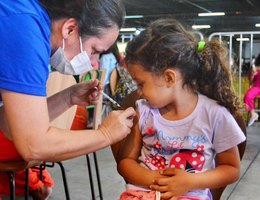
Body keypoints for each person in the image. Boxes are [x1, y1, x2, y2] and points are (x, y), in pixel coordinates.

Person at [0, 0, 135, 199]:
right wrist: (105, 134)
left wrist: (67, 98)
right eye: (94, 50)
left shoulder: (27, 20)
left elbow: (7, 123)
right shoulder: (24, 29)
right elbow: (33, 145)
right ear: (70, 28)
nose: (94, 62)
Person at [116, 19, 246, 200]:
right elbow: (125, 162)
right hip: (143, 193)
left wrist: (190, 182)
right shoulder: (144, 111)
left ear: (169, 78)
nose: (138, 92)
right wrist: (156, 180)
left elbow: (231, 169)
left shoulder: (214, 114)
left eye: (141, 84)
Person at [243, 54, 260, 126]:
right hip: (257, 87)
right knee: (247, 96)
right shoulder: (256, 68)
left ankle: (253, 114)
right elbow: (251, 79)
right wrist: (253, 74)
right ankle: (253, 114)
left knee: (248, 96)